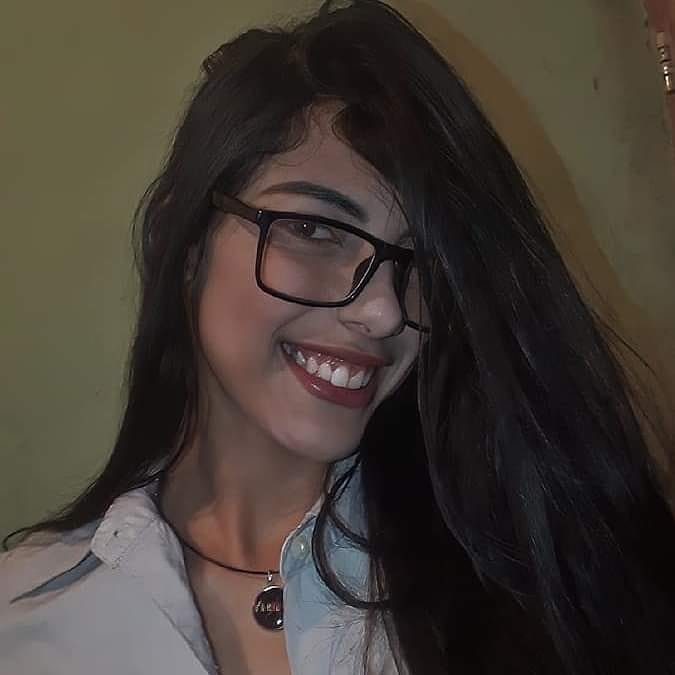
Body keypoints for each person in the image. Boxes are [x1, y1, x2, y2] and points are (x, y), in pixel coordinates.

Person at [1, 1, 674, 673]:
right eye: (314, 230)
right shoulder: (26, 621)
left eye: (421, 263)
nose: (383, 312)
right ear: (181, 244)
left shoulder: (537, 582)